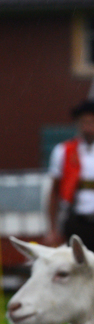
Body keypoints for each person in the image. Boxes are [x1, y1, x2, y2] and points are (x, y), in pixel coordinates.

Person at [45, 99, 94, 249]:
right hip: (76, 219)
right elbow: (55, 191)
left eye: (92, 122)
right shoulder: (64, 151)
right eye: (84, 122)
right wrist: (52, 228)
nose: (88, 127)